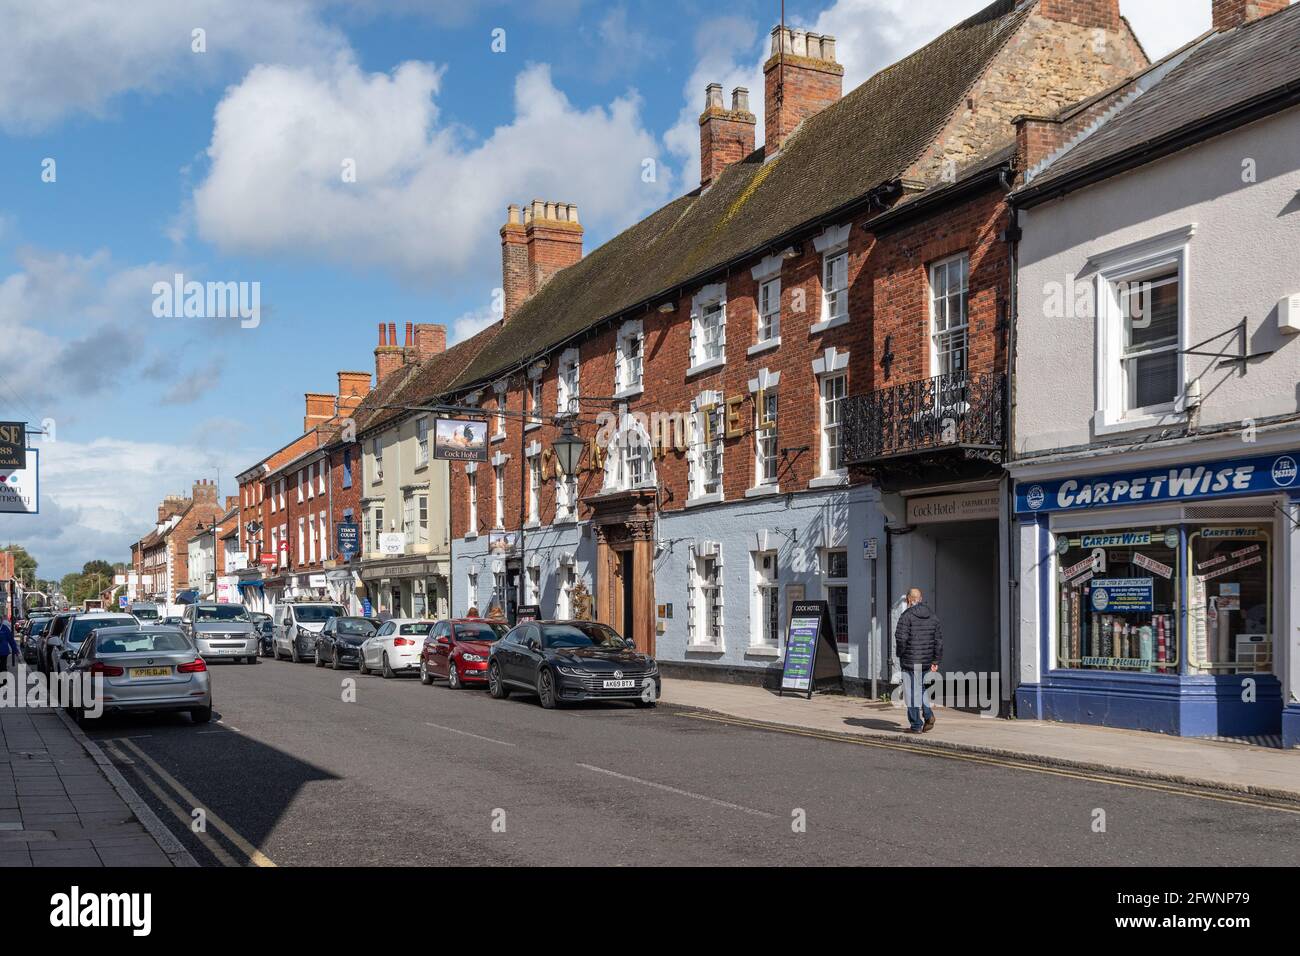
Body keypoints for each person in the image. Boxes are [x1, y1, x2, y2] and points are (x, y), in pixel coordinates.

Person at [894, 587, 943, 734]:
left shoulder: (906, 616)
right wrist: (935, 661)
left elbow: (901, 639)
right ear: (920, 599)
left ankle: (916, 724)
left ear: (909, 600)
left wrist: (900, 654)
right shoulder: (933, 616)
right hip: (926, 661)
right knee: (920, 689)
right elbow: (938, 641)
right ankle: (928, 715)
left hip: (910, 660)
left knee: (911, 692)